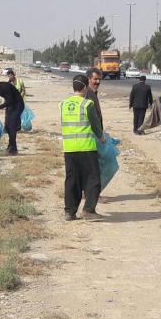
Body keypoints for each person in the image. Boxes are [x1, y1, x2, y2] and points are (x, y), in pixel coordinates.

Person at [60, 74, 105, 221]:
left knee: (72, 180)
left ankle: (69, 212)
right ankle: (88, 210)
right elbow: (95, 124)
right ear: (85, 87)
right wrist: (101, 137)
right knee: (92, 179)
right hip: (86, 147)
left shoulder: (63, 104)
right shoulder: (87, 104)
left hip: (69, 148)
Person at [0, 75, 25, 155]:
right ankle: (10, 147)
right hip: (10, 106)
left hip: (18, 105)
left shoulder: (5, 87)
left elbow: (10, 100)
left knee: (12, 127)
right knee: (7, 126)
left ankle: (13, 150)